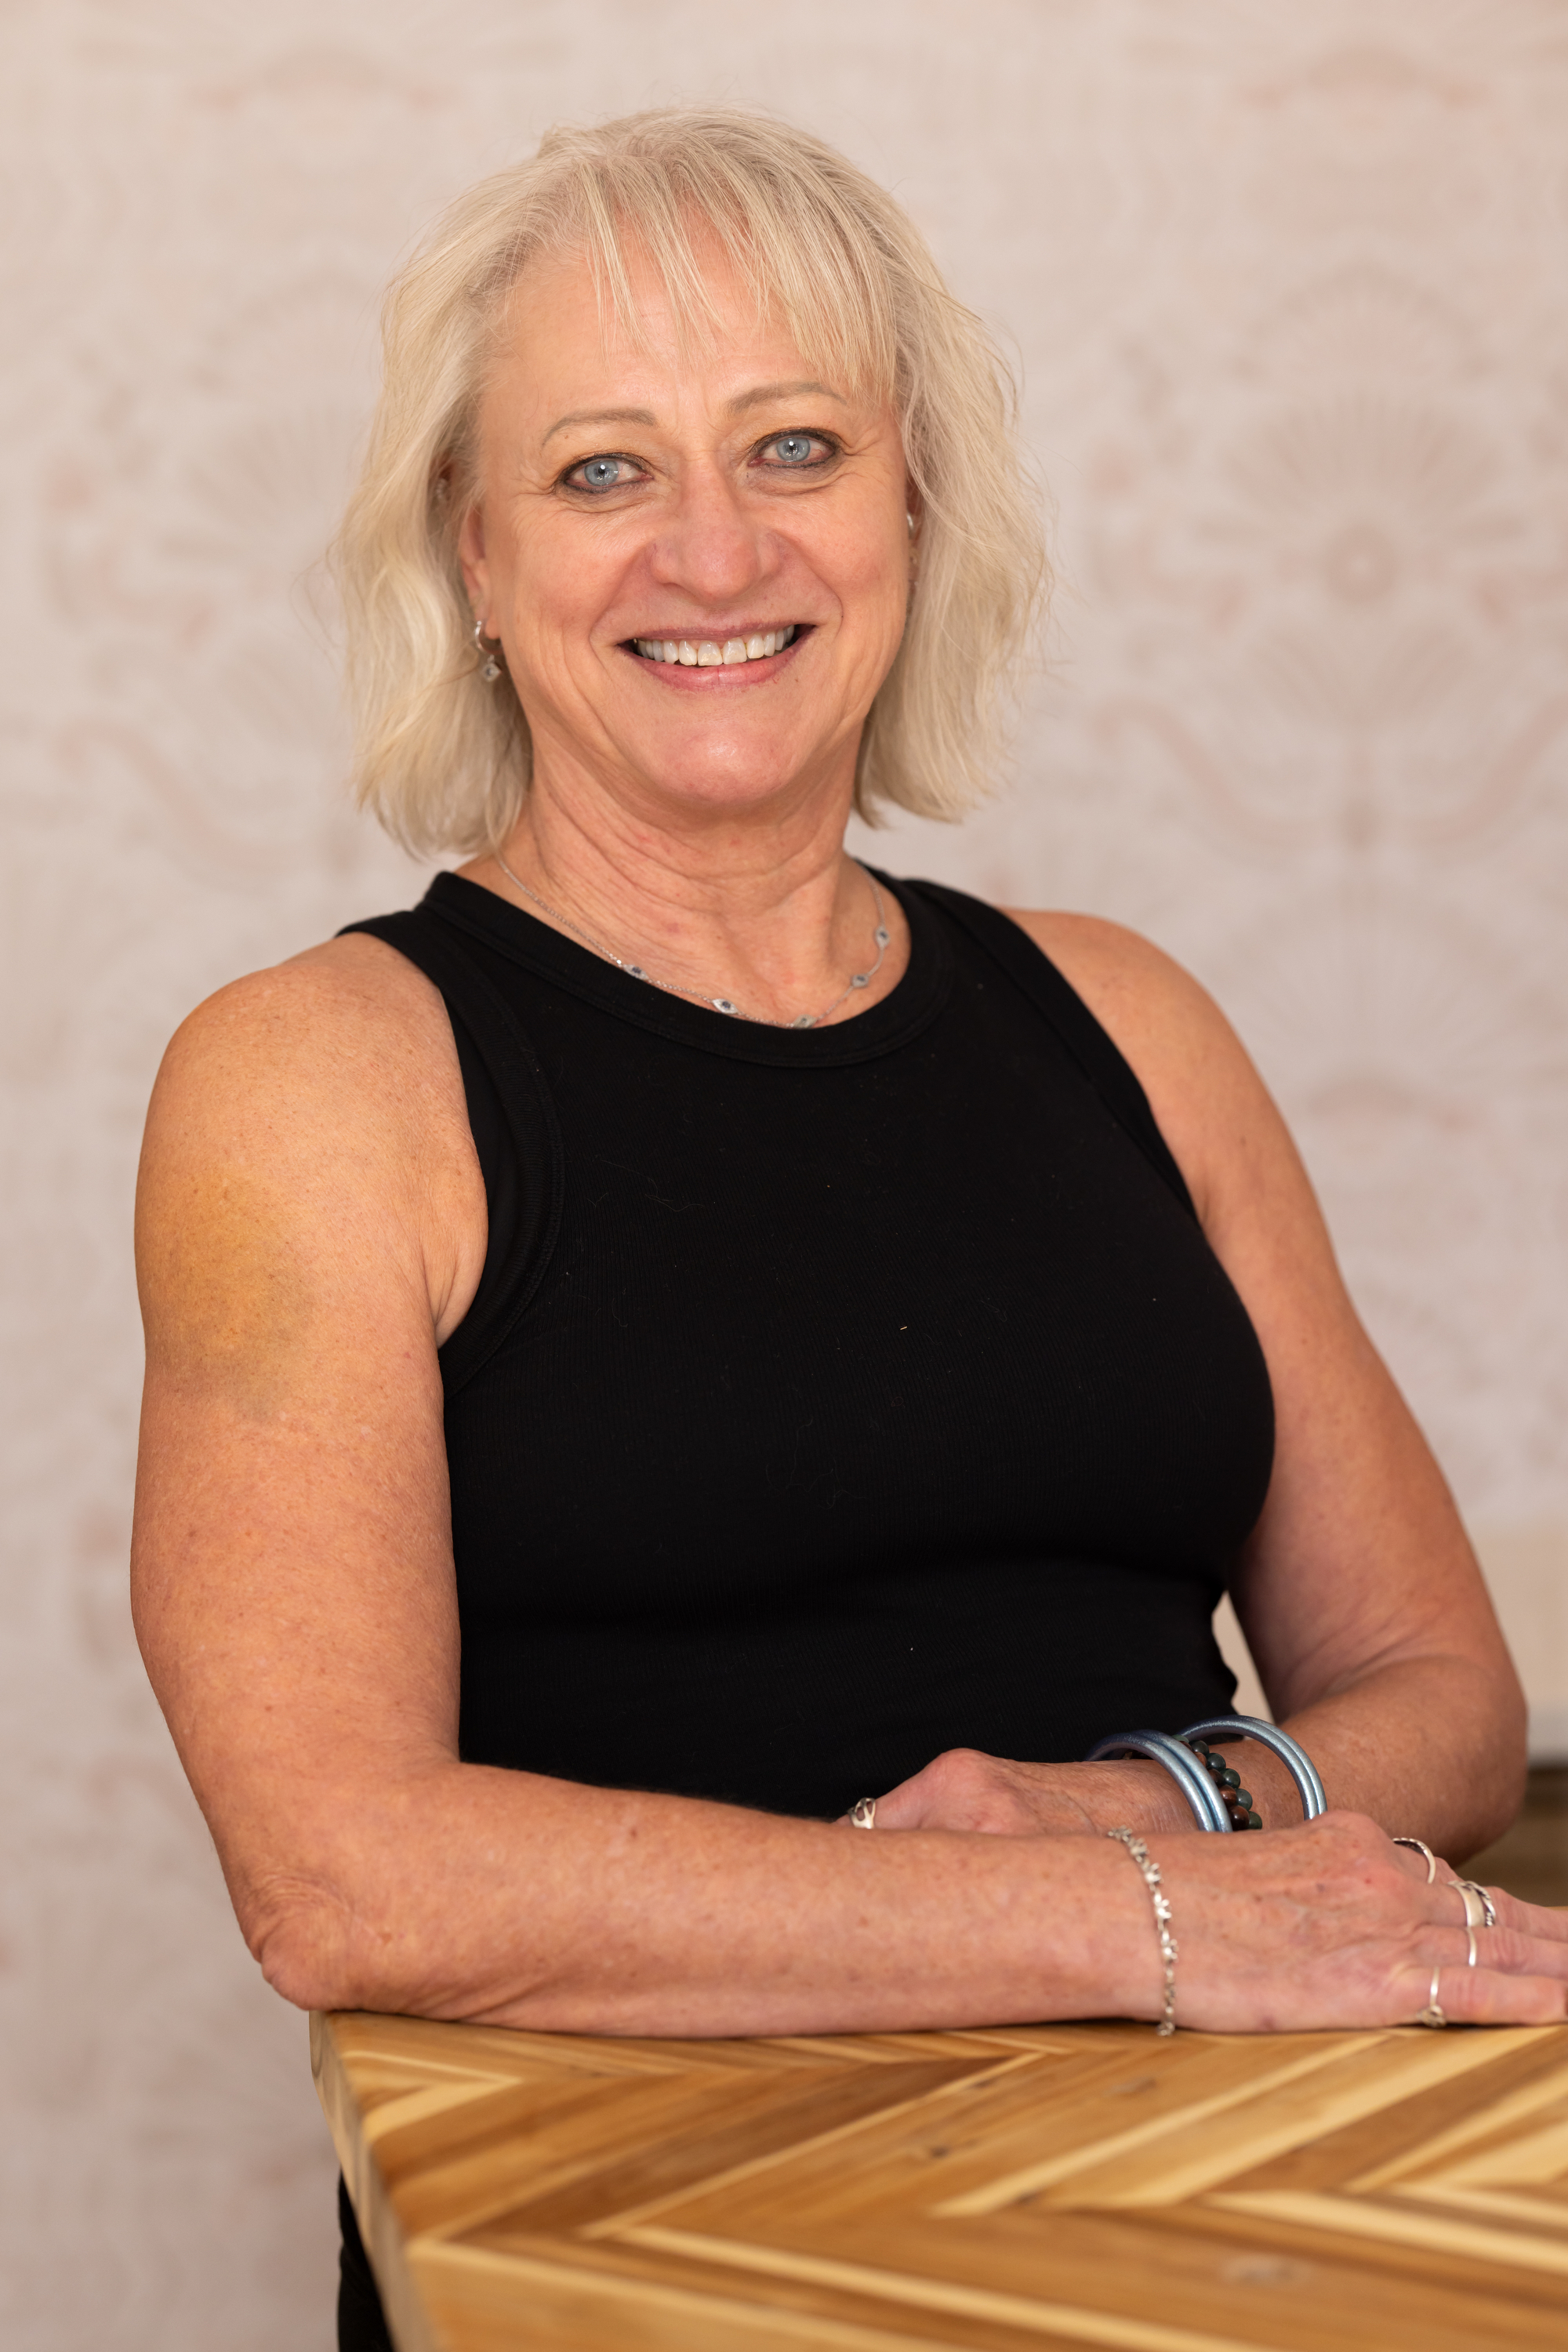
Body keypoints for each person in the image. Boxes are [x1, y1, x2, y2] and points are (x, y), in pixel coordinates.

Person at [129, 107, 1568, 2351]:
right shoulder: (318, 1078)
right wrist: (1137, 1917)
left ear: (913, 504)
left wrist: (1134, 1806)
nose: (714, 549)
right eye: (604, 471)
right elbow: (341, 1876)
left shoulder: (1131, 1021)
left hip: (1248, 2185)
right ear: (475, 552)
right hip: (634, 2224)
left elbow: (1446, 1704)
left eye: (794, 446)